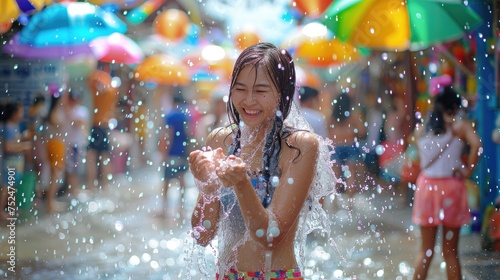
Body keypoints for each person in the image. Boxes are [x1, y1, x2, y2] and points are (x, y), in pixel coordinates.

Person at [189, 42, 336, 279]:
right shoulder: (221, 140)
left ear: (282, 93)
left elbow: (270, 236)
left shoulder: (300, 146)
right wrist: (208, 188)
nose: (248, 100)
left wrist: (241, 183)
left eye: (260, 91)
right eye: (240, 89)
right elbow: (201, 235)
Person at [412, 86, 482, 280]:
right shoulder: (460, 126)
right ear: (455, 107)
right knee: (451, 253)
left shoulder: (422, 129)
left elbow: (421, 157)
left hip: (427, 188)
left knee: (425, 250)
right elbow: (477, 144)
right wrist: (468, 170)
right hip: (452, 187)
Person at [328, 93, 366, 209]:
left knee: (336, 176)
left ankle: (334, 202)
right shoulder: (353, 115)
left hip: (337, 146)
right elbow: (362, 132)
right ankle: (350, 203)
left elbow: (328, 131)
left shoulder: (332, 116)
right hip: (350, 145)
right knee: (351, 175)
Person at [158, 88, 191, 216]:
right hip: (182, 152)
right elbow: (188, 134)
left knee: (167, 180)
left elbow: (168, 135)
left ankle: (164, 208)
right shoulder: (185, 116)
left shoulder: (170, 116)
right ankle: (181, 206)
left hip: (172, 153)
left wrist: (163, 154)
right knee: (181, 179)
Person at [86, 70, 119, 191]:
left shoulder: (97, 91)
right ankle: (105, 184)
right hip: (105, 127)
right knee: (104, 156)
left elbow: (88, 81)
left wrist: (97, 74)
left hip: (96, 126)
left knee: (91, 156)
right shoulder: (112, 91)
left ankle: (91, 184)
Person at [0, 101, 32, 220]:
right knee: (7, 186)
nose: (22, 114)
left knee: (12, 186)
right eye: (20, 111)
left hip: (16, 162)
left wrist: (22, 139)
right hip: (10, 162)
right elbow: (8, 147)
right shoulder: (8, 126)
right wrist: (24, 146)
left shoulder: (14, 126)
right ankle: (1, 210)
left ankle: (10, 207)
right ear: (13, 114)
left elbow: (14, 142)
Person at [43, 91, 69, 213]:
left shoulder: (53, 111)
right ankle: (50, 202)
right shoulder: (54, 112)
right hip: (55, 144)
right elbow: (58, 124)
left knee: (55, 174)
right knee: (55, 174)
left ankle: (51, 201)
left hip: (55, 143)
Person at [64, 92, 90, 198]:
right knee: (70, 167)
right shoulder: (66, 110)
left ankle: (74, 188)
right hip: (70, 143)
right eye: (72, 99)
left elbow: (81, 123)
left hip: (78, 143)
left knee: (76, 167)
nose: (74, 102)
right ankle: (71, 189)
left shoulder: (82, 110)